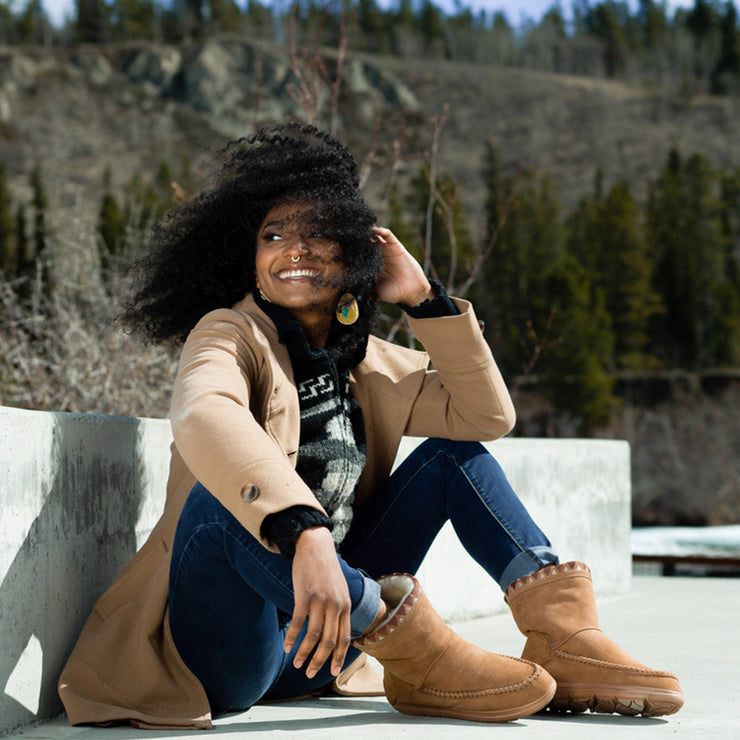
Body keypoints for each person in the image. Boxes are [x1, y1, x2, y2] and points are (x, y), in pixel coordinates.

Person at [58, 123, 683, 729]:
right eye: (274, 235)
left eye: (319, 233)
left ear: (356, 254)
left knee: (452, 458)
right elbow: (206, 412)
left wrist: (424, 301)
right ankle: (421, 658)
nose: (295, 248)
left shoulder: (371, 365)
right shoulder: (228, 333)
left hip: (326, 640)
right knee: (218, 503)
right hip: (230, 655)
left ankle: (565, 637)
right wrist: (305, 531)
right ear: (250, 260)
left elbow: (487, 416)